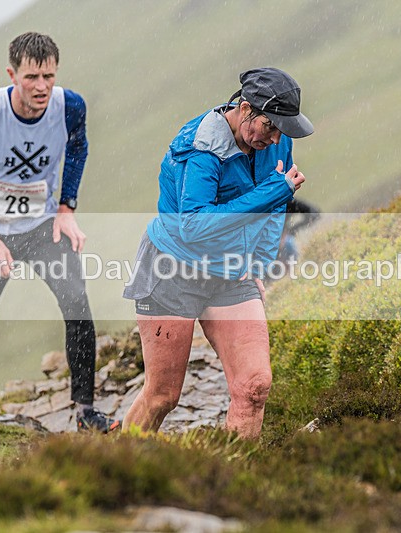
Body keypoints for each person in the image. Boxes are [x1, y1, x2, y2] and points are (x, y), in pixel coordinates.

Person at [122, 67, 313, 439]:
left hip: (232, 272)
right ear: (245, 109)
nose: (275, 139)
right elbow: (193, 226)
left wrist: (258, 264)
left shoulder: (276, 140)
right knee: (162, 397)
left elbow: (274, 211)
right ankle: (115, 465)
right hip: (172, 269)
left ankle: (237, 484)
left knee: (254, 387)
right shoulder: (200, 149)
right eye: (270, 127)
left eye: (282, 131)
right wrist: (274, 191)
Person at [0, 32, 119, 433]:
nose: (41, 87)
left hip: (42, 227)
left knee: (77, 304)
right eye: (31, 78)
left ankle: (86, 409)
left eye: (48, 76)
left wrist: (66, 207)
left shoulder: (70, 106)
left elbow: (78, 148)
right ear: (12, 75)